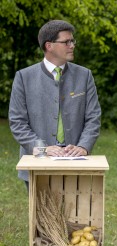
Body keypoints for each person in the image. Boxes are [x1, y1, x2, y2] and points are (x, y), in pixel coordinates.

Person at [9, 20, 101, 190]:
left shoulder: (85, 75)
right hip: (37, 163)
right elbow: (17, 122)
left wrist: (83, 146)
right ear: (49, 45)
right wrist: (42, 148)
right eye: (67, 41)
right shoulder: (24, 77)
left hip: (76, 162)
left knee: (75, 215)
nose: (72, 45)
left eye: (73, 41)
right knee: (41, 216)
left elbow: (93, 118)